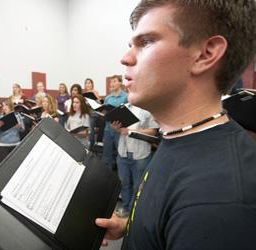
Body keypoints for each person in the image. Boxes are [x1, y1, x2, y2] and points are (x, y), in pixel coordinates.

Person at [96, 1, 256, 249]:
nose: (125, 58)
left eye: (146, 42)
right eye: (131, 45)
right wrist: (134, 227)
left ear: (205, 54)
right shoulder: (179, 137)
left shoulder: (219, 200)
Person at [111, 104, 158, 218]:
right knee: (124, 183)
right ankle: (126, 206)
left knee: (138, 185)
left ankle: (134, 211)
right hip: (123, 152)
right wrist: (117, 128)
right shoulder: (124, 108)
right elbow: (121, 130)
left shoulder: (149, 108)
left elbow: (153, 131)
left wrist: (131, 131)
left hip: (140, 154)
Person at [102, 75, 128, 170]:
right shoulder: (108, 98)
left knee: (120, 153)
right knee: (107, 154)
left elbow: (128, 113)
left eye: (114, 81)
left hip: (119, 129)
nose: (112, 84)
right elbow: (104, 112)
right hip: (108, 129)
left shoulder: (126, 97)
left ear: (120, 83)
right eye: (111, 82)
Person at [0, 99, 25, 165]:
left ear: (10, 106)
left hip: (15, 144)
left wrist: (19, 127)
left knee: (15, 166)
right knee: (3, 166)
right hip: (3, 145)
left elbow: (23, 130)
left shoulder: (17, 115)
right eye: (3, 105)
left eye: (6, 105)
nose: (4, 107)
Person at [83, 78, 101, 149]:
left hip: (93, 113)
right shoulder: (84, 94)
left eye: (89, 83)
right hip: (86, 113)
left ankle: (91, 146)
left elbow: (99, 104)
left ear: (92, 84)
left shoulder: (95, 92)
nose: (87, 84)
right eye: (86, 83)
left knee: (90, 127)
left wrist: (94, 99)